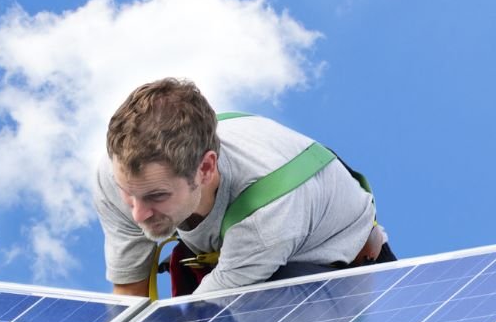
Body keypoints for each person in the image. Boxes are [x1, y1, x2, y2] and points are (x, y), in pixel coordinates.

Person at [96, 77, 391, 298]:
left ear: (206, 168)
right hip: (238, 248)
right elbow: (129, 295)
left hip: (330, 272)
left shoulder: (265, 219)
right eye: (128, 192)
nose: (137, 214)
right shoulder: (117, 175)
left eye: (156, 196)